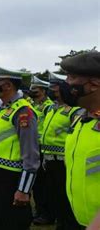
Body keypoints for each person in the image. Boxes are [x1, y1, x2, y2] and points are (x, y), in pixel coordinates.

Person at [0, 64, 40, 230]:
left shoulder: (22, 111)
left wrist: (23, 189)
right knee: (0, 219)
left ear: (7, 85)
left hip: (11, 177)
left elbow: (31, 153)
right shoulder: (3, 109)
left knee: (14, 222)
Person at [60, 51, 100, 228]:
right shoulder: (81, 119)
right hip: (80, 219)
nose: (66, 84)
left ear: (94, 84)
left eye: (72, 77)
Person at [39, 71, 84, 229]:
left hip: (63, 163)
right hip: (50, 160)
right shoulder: (51, 109)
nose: (52, 91)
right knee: (54, 198)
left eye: (55, 88)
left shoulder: (75, 111)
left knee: (66, 201)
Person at [30, 75, 55, 225]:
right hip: (34, 147)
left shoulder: (48, 106)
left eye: (36, 89)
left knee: (44, 184)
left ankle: (46, 214)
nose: (32, 91)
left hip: (42, 149)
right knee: (36, 184)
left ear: (44, 91)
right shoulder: (33, 105)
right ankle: (39, 211)